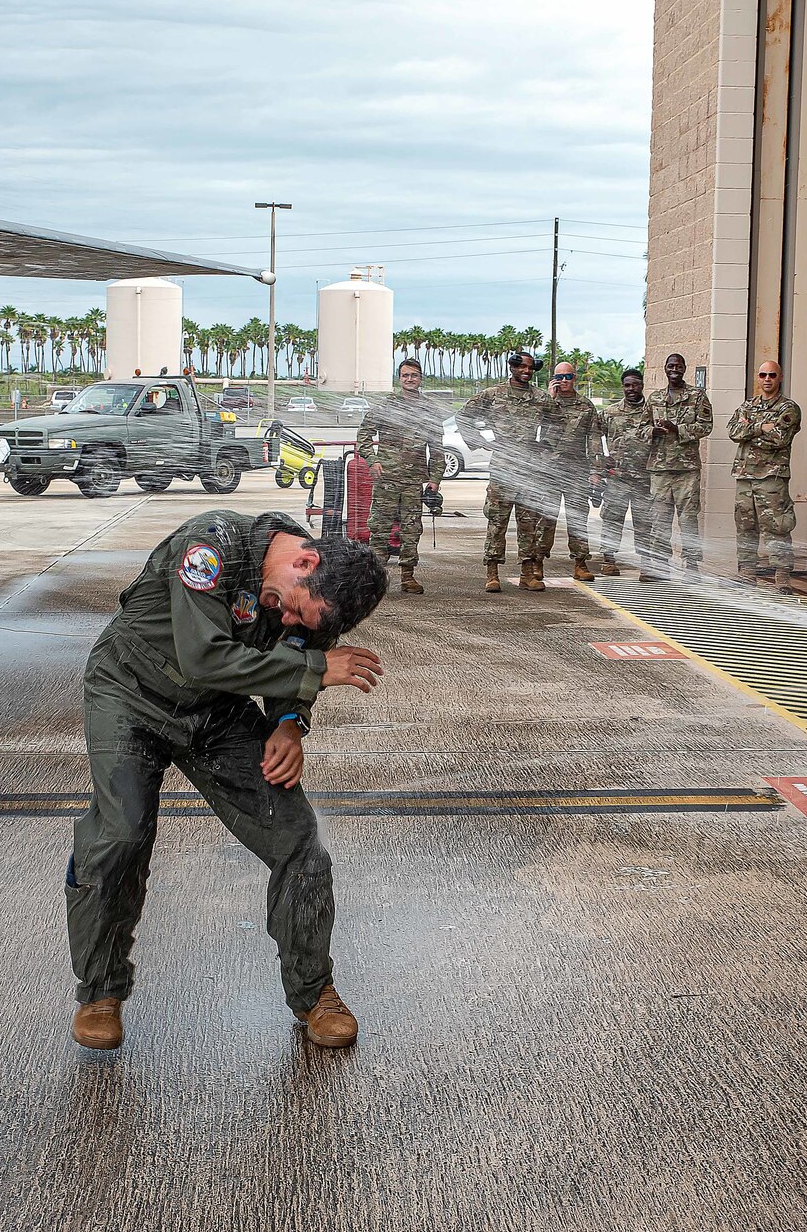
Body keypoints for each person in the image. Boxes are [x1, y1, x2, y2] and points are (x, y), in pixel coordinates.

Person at [65, 510, 388, 1051]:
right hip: (130, 695)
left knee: (299, 840)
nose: (288, 622)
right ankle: (101, 989)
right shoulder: (211, 547)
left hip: (215, 711)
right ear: (304, 561)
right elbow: (202, 657)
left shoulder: (320, 591)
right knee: (120, 833)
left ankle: (314, 992)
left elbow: (301, 653)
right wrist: (312, 671)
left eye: (304, 621)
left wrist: (289, 723)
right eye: (293, 609)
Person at [460, 352, 546, 593]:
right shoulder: (493, 395)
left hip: (529, 470)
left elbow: (559, 421)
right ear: (512, 368)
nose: (527, 371)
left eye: (530, 367)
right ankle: (492, 572)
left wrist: (545, 444)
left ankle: (527, 574)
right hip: (503, 469)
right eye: (522, 367)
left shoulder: (540, 398)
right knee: (497, 523)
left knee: (528, 524)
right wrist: (480, 442)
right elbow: (463, 416)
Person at [356, 357, 441, 594]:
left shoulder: (429, 410)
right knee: (379, 528)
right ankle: (375, 580)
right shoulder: (386, 406)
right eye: (405, 375)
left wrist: (434, 479)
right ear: (399, 378)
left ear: (420, 378)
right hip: (387, 480)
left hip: (413, 481)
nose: (410, 379)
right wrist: (372, 461)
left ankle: (407, 576)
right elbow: (363, 435)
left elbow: (437, 448)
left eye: (414, 375)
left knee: (411, 529)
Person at [727, 359, 801, 591]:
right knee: (745, 526)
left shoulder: (788, 408)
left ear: (780, 378)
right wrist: (761, 427)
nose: (766, 379)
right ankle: (747, 573)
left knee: (776, 527)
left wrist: (748, 429)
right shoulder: (748, 405)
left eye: (771, 375)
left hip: (772, 478)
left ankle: (782, 577)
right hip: (745, 476)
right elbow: (732, 431)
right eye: (762, 375)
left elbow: (779, 438)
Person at [528, 362, 602, 587]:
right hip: (549, 470)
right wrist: (548, 400)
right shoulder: (545, 403)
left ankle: (580, 563)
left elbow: (595, 440)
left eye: (568, 376)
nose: (564, 380)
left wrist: (596, 471)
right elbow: (531, 428)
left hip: (576, 470)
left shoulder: (586, 406)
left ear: (575, 378)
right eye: (559, 376)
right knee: (545, 517)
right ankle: (537, 562)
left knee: (578, 518)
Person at [646, 352, 715, 580]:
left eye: (678, 365)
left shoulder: (697, 397)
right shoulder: (654, 398)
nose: (674, 369)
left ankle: (692, 566)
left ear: (684, 368)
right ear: (665, 368)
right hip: (660, 469)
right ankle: (659, 566)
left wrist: (677, 429)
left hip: (686, 470)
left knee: (688, 520)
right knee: (660, 519)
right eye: (670, 365)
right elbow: (641, 428)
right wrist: (652, 431)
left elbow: (706, 426)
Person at [596, 368, 655, 577]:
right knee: (612, 518)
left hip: (645, 478)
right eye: (627, 385)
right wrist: (600, 460)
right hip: (617, 478)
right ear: (623, 387)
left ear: (642, 385)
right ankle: (608, 559)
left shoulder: (653, 412)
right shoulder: (610, 413)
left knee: (645, 522)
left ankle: (646, 563)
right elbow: (593, 437)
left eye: (635, 384)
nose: (631, 389)